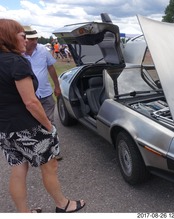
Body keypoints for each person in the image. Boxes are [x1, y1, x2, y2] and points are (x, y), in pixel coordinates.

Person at [0, 18, 85, 213]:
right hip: (28, 127)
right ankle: (63, 204)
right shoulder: (17, 62)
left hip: (5, 129)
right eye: (23, 36)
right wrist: (48, 126)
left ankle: (24, 213)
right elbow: (31, 102)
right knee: (50, 166)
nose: (26, 40)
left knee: (18, 170)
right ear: (10, 37)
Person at [23, 25, 63, 161]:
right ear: (23, 40)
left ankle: (54, 151)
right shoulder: (16, 54)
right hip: (27, 96)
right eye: (31, 39)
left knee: (49, 122)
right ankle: (36, 151)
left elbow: (51, 68)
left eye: (35, 38)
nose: (34, 41)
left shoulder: (42, 50)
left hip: (45, 94)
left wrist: (57, 86)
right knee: (31, 124)